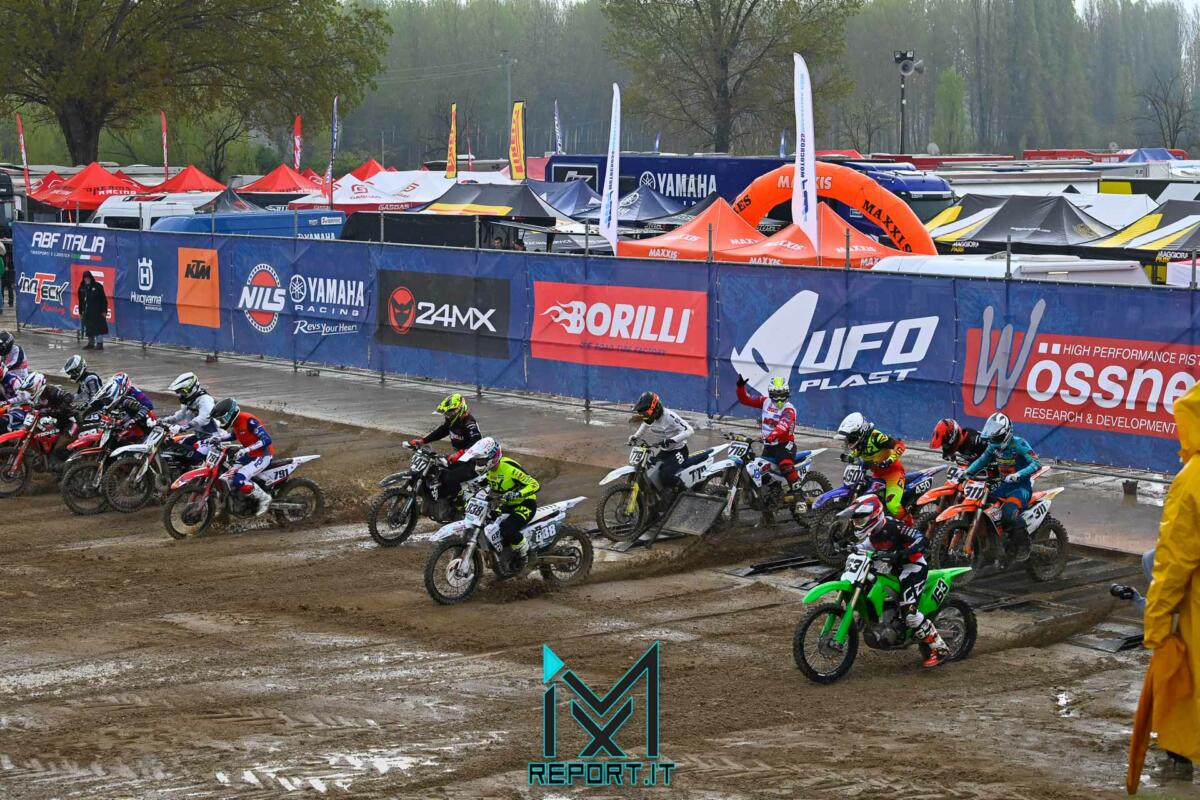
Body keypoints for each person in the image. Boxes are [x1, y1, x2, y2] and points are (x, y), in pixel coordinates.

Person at [1138, 382, 1200, 783]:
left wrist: (1157, 625)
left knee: (1182, 691)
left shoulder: (1193, 481)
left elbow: (1174, 563)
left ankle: (1178, 762)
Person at [845, 493, 951, 668]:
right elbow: (867, 545)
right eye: (855, 520)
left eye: (860, 519)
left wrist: (903, 553)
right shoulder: (874, 532)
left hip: (912, 568)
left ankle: (940, 649)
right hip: (893, 569)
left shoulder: (894, 526)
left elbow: (921, 538)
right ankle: (885, 621)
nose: (857, 523)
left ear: (874, 515)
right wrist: (852, 548)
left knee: (910, 616)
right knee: (871, 585)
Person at [964, 412, 1041, 562]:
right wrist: (967, 472)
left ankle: (1024, 546)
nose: (994, 442)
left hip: (1021, 487)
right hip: (1003, 486)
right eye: (992, 438)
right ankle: (991, 543)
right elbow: (982, 460)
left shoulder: (1019, 444)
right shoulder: (993, 446)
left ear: (1007, 433)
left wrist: (1018, 474)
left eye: (997, 438)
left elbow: (1036, 463)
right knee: (985, 505)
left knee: (1008, 513)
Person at [462, 436, 538, 570]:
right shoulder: (489, 471)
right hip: (507, 505)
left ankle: (527, 557)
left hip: (525, 504)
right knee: (489, 524)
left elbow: (534, 484)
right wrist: (470, 489)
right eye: (478, 461)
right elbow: (482, 483)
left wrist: (517, 494)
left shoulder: (509, 468)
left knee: (507, 529)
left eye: (481, 460)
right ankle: (505, 556)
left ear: (493, 457)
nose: (479, 464)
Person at [735, 375, 805, 496]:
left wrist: (773, 435)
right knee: (760, 473)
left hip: (785, 444)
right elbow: (746, 400)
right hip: (769, 445)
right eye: (776, 395)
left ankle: (799, 496)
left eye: (782, 395)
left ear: (787, 394)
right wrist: (740, 388)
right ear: (770, 394)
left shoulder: (789, 409)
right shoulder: (765, 402)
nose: (779, 399)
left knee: (786, 465)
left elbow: (783, 424)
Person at [408, 393, 483, 504]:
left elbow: (477, 442)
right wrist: (423, 441)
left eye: (450, 413)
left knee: (449, 478)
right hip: (460, 458)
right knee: (435, 470)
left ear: (459, 409)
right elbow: (442, 431)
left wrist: (461, 453)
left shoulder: (469, 423)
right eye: (447, 413)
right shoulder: (452, 421)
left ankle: (455, 504)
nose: (448, 415)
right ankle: (433, 501)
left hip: (473, 461)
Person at [837, 412, 911, 524]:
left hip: (893, 474)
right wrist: (849, 457)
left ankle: (911, 526)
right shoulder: (860, 442)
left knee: (892, 505)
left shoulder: (876, 437)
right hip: (877, 475)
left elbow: (900, 445)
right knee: (864, 496)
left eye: (850, 438)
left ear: (860, 432)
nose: (848, 442)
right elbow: (859, 452)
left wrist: (889, 460)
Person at [208, 398, 274, 516]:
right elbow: (234, 435)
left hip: (263, 455)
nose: (221, 422)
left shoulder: (248, 420)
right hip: (249, 455)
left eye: (222, 419)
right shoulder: (236, 423)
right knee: (226, 477)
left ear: (230, 414)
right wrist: (219, 438)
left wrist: (247, 449)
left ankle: (265, 499)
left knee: (239, 480)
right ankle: (235, 502)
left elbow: (267, 439)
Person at [629, 391, 693, 500]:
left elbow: (690, 430)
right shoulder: (650, 418)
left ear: (655, 408)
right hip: (665, 451)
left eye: (645, 413)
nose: (644, 416)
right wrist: (635, 436)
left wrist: (672, 440)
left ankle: (686, 493)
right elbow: (645, 425)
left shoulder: (670, 417)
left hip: (679, 450)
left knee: (665, 475)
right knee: (650, 472)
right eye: (642, 414)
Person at [16, 372, 78, 463]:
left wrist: (61, 408)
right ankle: (45, 458)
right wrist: (32, 408)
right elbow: (40, 406)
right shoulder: (39, 396)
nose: (29, 392)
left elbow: (69, 396)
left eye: (30, 389)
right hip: (59, 421)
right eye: (28, 390)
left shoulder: (51, 390)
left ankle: (66, 466)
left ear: (37, 385)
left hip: (71, 421)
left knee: (58, 447)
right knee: (43, 434)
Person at [163, 372, 217, 461]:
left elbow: (204, 418)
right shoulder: (189, 401)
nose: (181, 395)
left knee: (192, 455)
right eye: (179, 392)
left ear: (192, 388)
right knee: (175, 449)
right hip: (199, 435)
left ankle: (200, 466)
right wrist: (163, 421)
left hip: (213, 437)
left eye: (182, 392)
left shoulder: (205, 400)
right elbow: (180, 415)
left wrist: (184, 427)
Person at [79, 271, 108, 350]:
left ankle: (99, 344)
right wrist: (80, 312)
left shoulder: (98, 286)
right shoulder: (82, 288)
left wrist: (104, 311)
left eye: (88, 277)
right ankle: (91, 343)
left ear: (91, 277)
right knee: (89, 328)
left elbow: (103, 299)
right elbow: (80, 301)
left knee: (99, 328)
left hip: (98, 312)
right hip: (87, 312)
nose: (87, 279)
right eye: (85, 278)